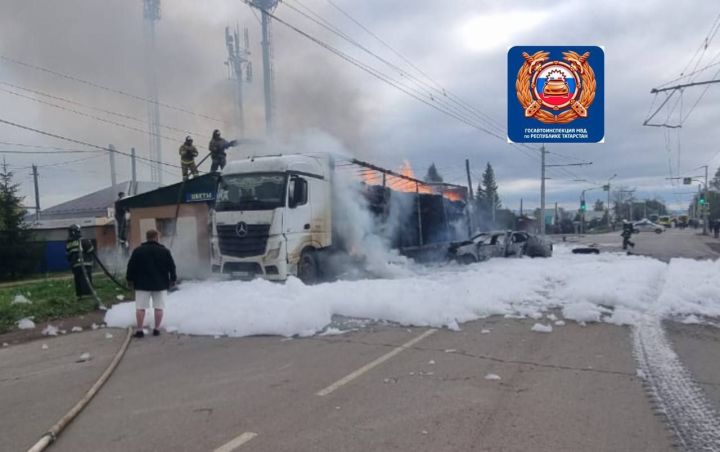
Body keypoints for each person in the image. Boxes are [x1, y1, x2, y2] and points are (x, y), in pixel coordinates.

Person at [126, 229, 177, 338]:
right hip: (160, 284)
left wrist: (129, 280)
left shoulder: (138, 251)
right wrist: (173, 279)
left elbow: (131, 267)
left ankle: (139, 330)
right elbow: (172, 267)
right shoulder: (164, 251)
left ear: (147, 237)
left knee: (140, 308)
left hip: (141, 284)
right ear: (157, 237)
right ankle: (156, 329)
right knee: (159, 307)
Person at [65, 224, 95, 299]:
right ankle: (87, 295)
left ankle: (79, 295)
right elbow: (91, 250)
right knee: (85, 279)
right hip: (85, 264)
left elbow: (68, 256)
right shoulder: (83, 240)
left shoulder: (68, 243)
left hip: (75, 265)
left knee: (77, 279)